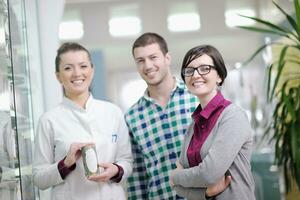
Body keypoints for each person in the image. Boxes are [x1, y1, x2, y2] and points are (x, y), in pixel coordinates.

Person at [125, 33, 230, 199]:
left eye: (153, 57)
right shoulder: (132, 117)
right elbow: (138, 177)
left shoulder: (197, 97)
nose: (148, 65)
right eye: (141, 60)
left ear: (167, 58)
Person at [33, 42, 132, 200]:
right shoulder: (48, 120)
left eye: (83, 66)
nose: (77, 73)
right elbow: (39, 179)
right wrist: (65, 163)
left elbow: (126, 161)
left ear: (92, 70)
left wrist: (116, 170)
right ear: (58, 76)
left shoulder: (113, 112)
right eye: (68, 68)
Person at [170, 45, 256, 200]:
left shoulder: (232, 116)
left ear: (219, 76)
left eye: (204, 68)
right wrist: (205, 193)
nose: (195, 75)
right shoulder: (194, 125)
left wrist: (176, 176)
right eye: (189, 70)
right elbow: (179, 190)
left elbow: (209, 174)